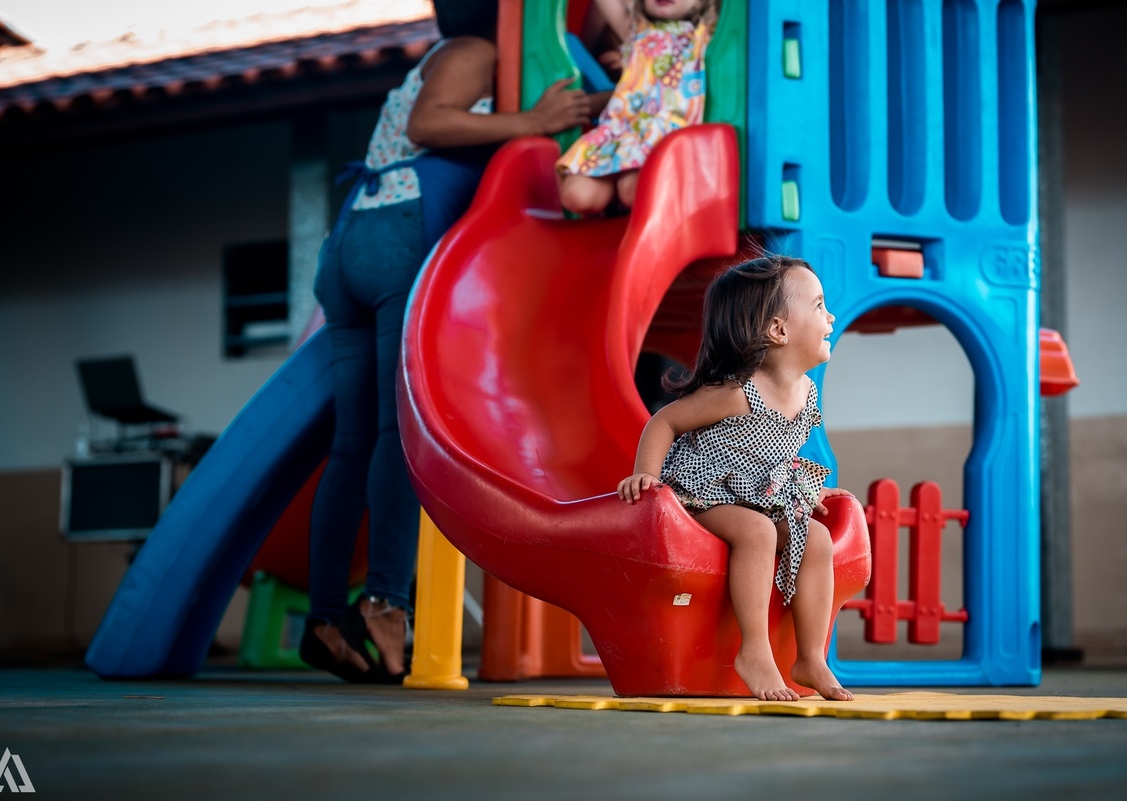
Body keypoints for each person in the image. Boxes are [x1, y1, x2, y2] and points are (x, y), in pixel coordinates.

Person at [300, 0, 593, 684]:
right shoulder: (475, 51)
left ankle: (323, 617)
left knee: (352, 443)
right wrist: (532, 123)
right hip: (397, 236)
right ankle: (383, 604)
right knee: (399, 433)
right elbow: (427, 123)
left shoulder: (443, 57)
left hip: (352, 246)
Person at [616, 255, 856, 702]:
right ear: (778, 331)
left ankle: (810, 658)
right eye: (819, 305)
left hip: (761, 492)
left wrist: (808, 489)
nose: (831, 316)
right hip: (707, 490)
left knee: (818, 539)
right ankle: (756, 650)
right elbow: (664, 422)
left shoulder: (806, 390)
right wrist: (646, 478)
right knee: (758, 531)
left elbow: (778, 453)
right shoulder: (736, 392)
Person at [556, 0, 719, 215]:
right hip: (623, 134)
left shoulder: (712, 35)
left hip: (669, 140)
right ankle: (613, 210)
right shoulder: (635, 30)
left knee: (632, 188)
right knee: (576, 194)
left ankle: (627, 209)